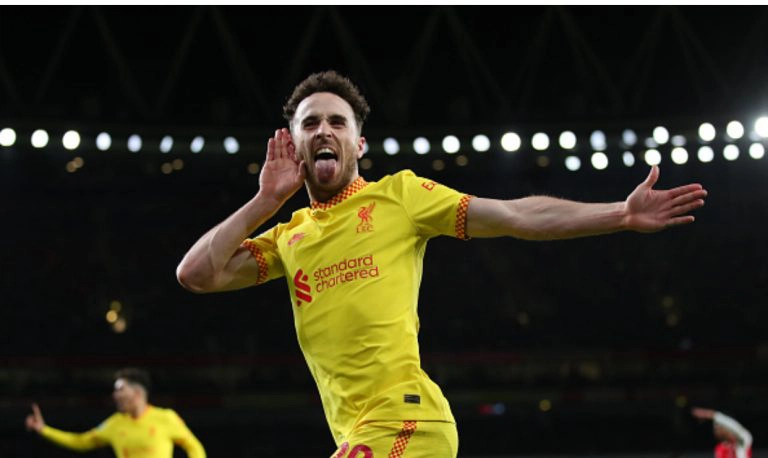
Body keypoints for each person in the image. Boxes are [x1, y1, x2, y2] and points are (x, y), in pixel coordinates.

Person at [176, 70, 708, 457]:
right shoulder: (288, 236)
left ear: (358, 142)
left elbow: (515, 215)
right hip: (358, 434)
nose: (323, 130)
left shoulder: (399, 197)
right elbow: (196, 274)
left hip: (405, 420)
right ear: (293, 144)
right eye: (309, 122)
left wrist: (619, 213)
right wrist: (265, 201)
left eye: (337, 121)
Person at [25, 367, 206, 458]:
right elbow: (80, 441)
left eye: (120, 390)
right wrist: (44, 430)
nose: (115, 395)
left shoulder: (166, 418)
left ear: (137, 393)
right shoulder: (114, 424)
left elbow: (194, 446)